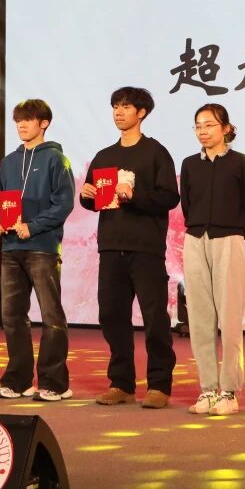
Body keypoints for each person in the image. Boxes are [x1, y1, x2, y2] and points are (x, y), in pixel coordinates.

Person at [80, 86, 180, 409]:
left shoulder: (156, 153)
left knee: (154, 318)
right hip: (111, 247)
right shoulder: (104, 156)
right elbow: (94, 200)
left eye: (125, 107)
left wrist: (134, 196)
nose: (118, 112)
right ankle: (121, 383)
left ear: (142, 113)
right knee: (112, 315)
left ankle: (159, 385)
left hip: (146, 248)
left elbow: (169, 197)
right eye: (115, 107)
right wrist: (86, 196)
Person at [0, 99, 76, 402]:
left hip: (42, 247)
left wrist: (33, 226)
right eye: (18, 120)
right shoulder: (9, 162)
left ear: (44, 123)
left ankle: (55, 383)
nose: (21, 125)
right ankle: (18, 380)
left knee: (51, 316)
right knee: (12, 316)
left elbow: (63, 204)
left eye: (28, 119)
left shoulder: (56, 159)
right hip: (11, 247)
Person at [179, 103, 245, 416]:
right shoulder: (190, 164)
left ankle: (229, 392)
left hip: (229, 240)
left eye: (209, 125)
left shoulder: (240, 162)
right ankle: (208, 390)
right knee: (200, 319)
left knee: (229, 319)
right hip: (195, 240)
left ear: (226, 128)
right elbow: (187, 204)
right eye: (198, 126)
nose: (203, 131)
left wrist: (233, 234)